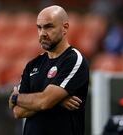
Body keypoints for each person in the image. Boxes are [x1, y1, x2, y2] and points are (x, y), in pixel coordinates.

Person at [8, 5, 89, 135]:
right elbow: (18, 111)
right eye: (39, 27)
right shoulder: (32, 65)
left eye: (48, 27)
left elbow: (44, 102)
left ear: (65, 28)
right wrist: (57, 101)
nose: (42, 33)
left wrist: (15, 98)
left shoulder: (74, 59)